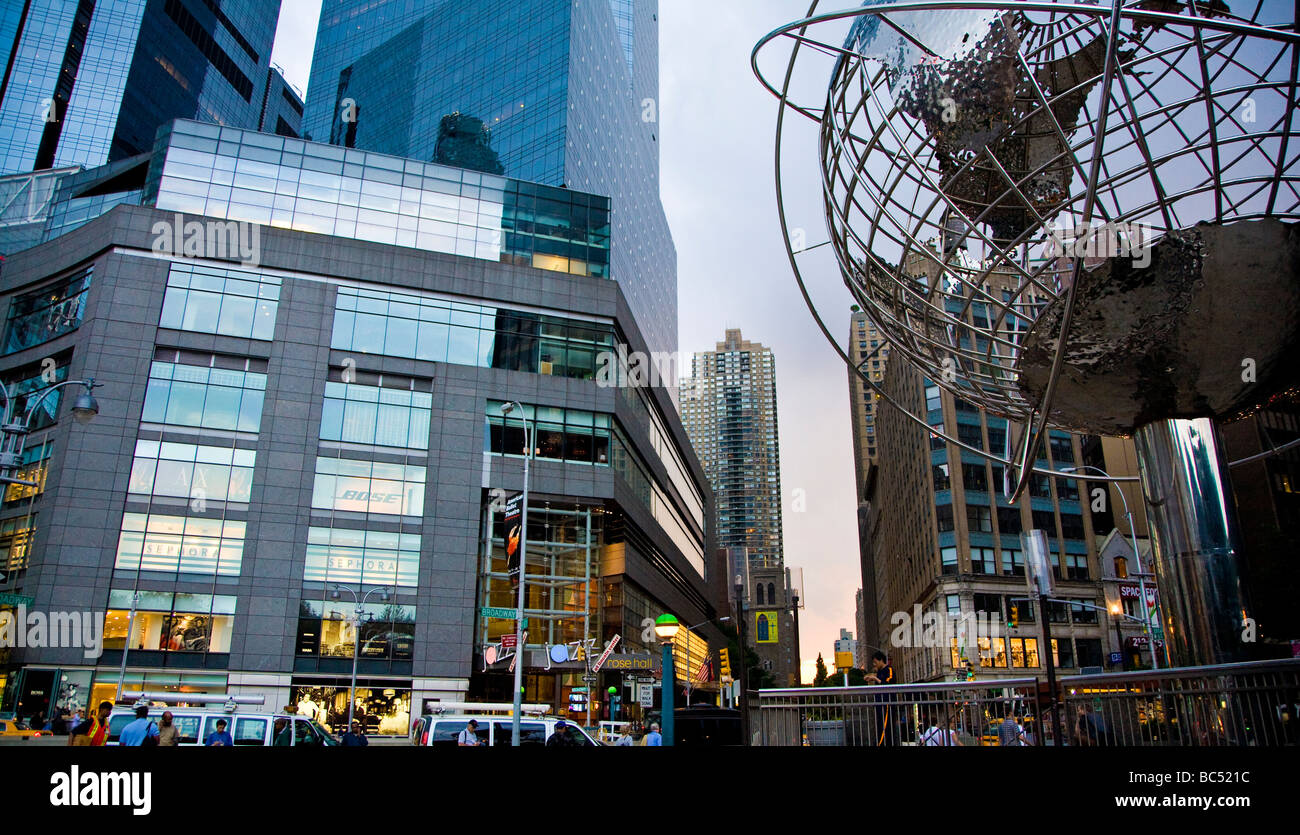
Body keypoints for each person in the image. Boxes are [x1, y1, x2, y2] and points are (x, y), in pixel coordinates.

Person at [865, 651, 896, 745]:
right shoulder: (879, 672)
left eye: (875, 662)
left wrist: (875, 679)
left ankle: (882, 743)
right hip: (879, 703)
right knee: (879, 726)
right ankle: (880, 742)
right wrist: (871, 678)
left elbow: (888, 684)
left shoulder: (889, 670)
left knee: (886, 727)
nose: (874, 664)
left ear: (881, 660)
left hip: (887, 703)